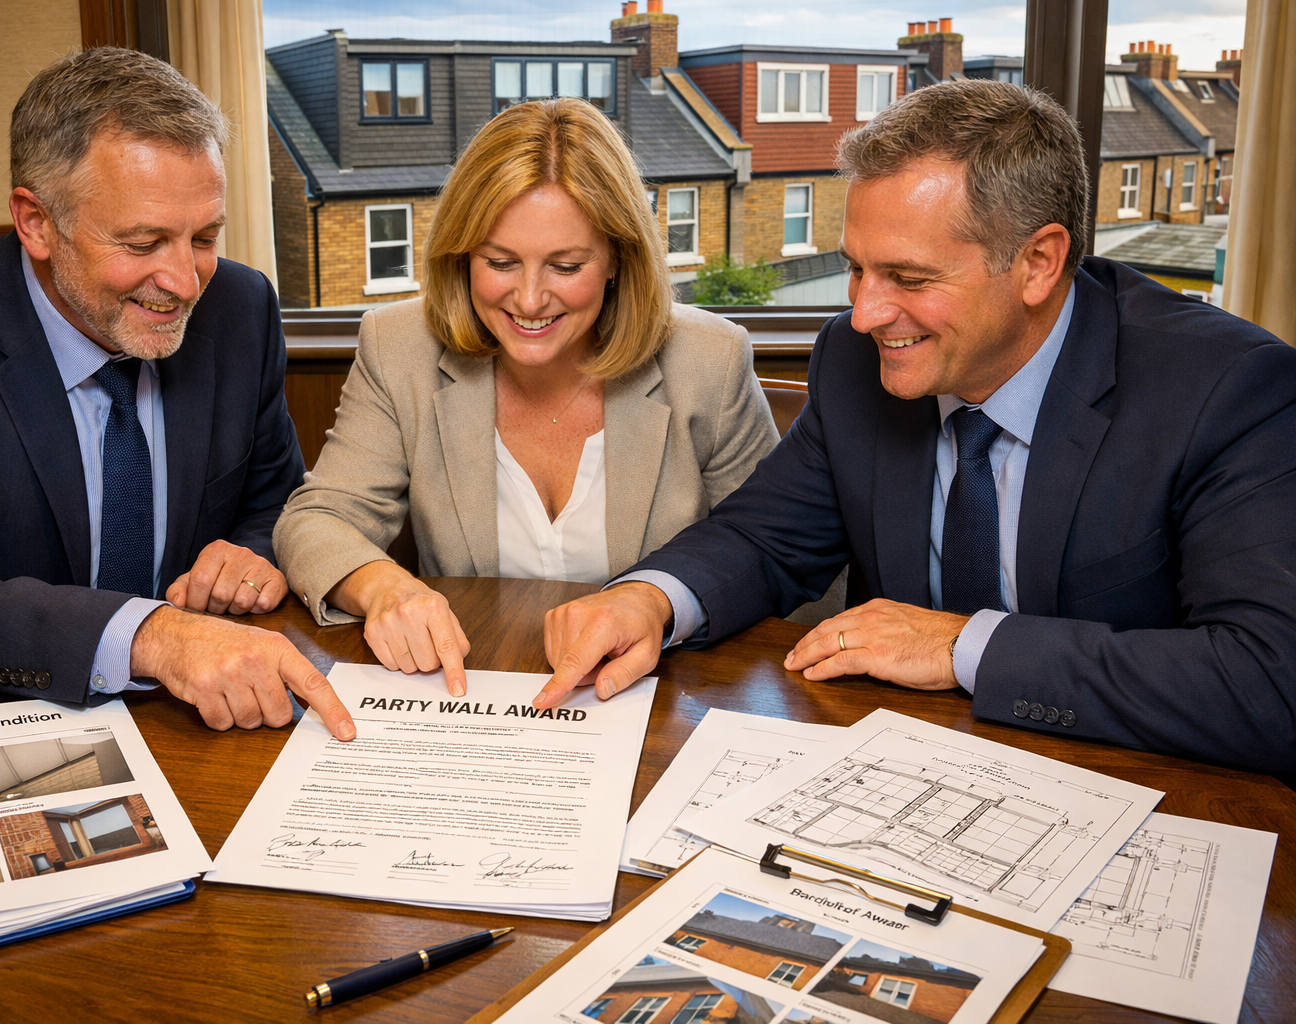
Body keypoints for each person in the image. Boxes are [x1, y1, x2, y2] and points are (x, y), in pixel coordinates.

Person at [534, 80, 1296, 774]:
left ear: (1038, 262)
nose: (863, 313)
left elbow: (1269, 683)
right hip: (897, 776)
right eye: (857, 268)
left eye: (909, 278)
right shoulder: (853, 357)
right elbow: (765, 538)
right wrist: (652, 600)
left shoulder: (1225, 391)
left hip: (1136, 787)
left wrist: (962, 645)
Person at [0, 48, 355, 740]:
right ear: (36, 222)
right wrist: (151, 636)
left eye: (205, 237)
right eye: (143, 241)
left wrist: (253, 557)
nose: (185, 282)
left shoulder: (240, 306)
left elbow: (273, 501)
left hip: (184, 721)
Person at [272, 99, 779, 698]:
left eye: (565, 266)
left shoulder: (708, 360)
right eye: (501, 262)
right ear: (462, 255)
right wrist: (385, 587)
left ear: (618, 256)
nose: (530, 299)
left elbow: (769, 553)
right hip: (468, 701)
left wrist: (659, 607)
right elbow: (317, 518)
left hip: (664, 698)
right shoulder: (398, 345)